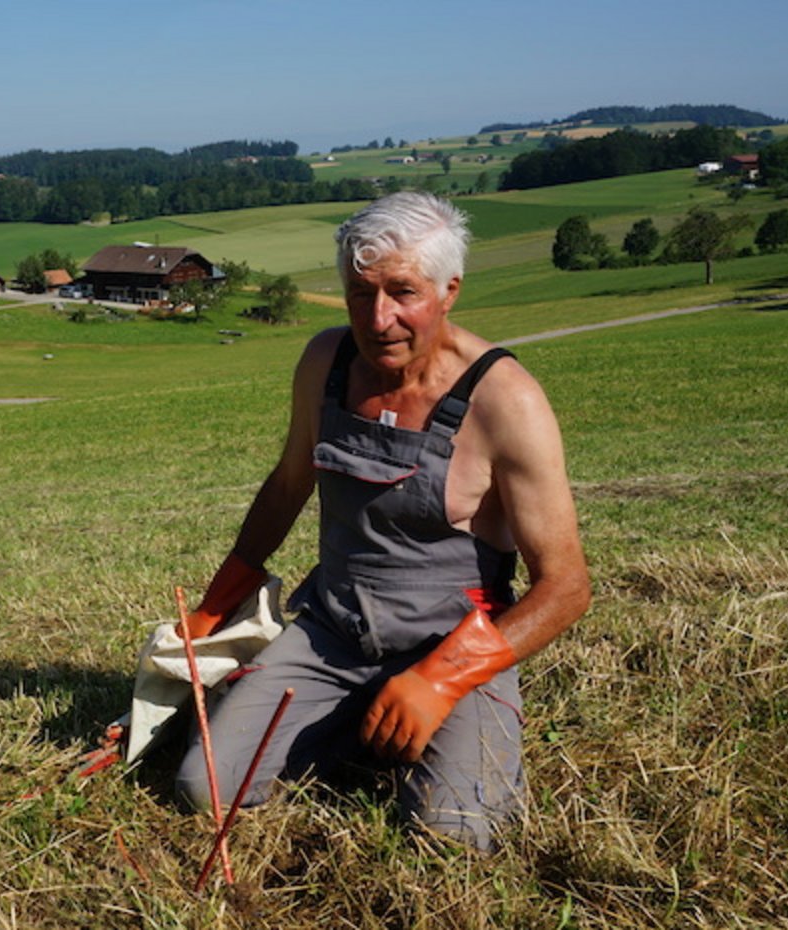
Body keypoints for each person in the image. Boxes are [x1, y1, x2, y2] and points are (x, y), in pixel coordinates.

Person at [174, 191, 591, 851]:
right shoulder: (326, 364)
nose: (379, 318)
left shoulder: (507, 401)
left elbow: (566, 588)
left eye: (403, 292)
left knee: (450, 840)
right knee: (206, 791)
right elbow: (288, 486)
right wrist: (214, 606)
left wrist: (440, 680)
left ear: (450, 289)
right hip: (331, 637)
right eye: (359, 293)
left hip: (450, 649)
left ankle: (406, 729)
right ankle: (359, 727)